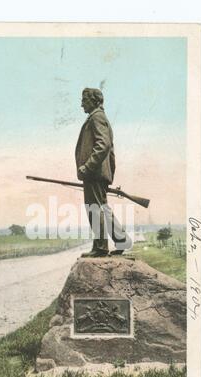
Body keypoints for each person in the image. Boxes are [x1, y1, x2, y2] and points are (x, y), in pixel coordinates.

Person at [75, 87, 132, 257]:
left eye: (84, 100)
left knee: (95, 208)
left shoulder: (97, 117)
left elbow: (103, 145)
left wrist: (88, 166)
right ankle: (122, 240)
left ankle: (100, 248)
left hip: (94, 173)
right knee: (101, 208)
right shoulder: (98, 117)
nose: (81, 104)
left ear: (94, 101)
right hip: (97, 173)